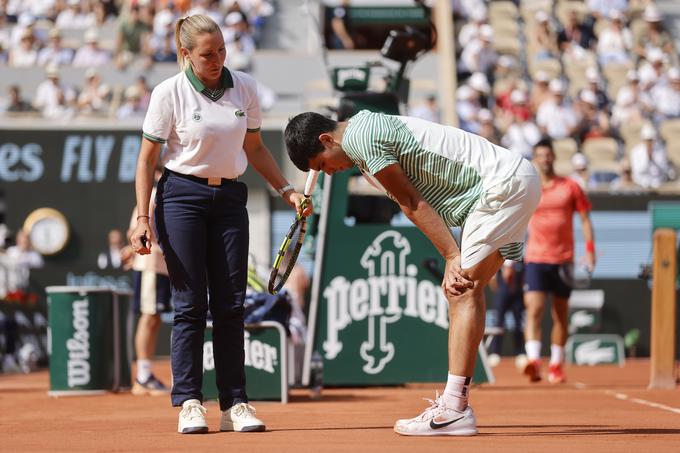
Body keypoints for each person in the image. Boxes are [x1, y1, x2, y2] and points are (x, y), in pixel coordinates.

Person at [284, 109, 541, 436]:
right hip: (515, 180)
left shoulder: (362, 138)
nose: (328, 173)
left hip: (501, 186)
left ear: (326, 139)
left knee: (459, 290)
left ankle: (454, 408)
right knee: (467, 290)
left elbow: (410, 200)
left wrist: (452, 254)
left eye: (322, 164)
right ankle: (456, 404)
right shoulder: (362, 130)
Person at [129, 14, 312, 435]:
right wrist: (143, 217)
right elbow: (146, 161)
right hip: (181, 198)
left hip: (230, 198)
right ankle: (190, 401)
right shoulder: (167, 94)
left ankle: (236, 403)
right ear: (185, 55)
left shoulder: (244, 87)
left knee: (231, 306)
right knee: (190, 304)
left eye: (222, 51)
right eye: (207, 55)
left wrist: (287, 189)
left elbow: (256, 148)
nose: (216, 60)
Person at [523, 138, 596, 385]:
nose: (544, 159)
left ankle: (556, 364)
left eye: (547, 155)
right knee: (534, 309)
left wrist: (590, 250)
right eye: (540, 155)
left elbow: (585, 219)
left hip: (564, 259)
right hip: (535, 258)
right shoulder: (528, 187)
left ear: (553, 157)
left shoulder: (571, 186)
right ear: (534, 158)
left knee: (560, 314)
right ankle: (533, 361)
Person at [123, 170, 171, 396]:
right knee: (148, 317)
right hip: (150, 266)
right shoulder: (151, 196)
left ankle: (146, 374)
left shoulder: (164, 197)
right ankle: (142, 377)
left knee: (154, 319)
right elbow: (135, 232)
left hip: (162, 268)